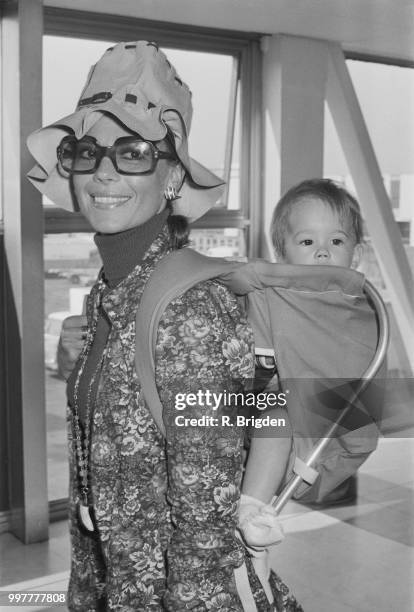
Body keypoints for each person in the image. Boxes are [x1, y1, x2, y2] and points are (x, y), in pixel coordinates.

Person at [28, 42, 302, 611]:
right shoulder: (110, 289)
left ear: (172, 175)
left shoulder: (188, 309)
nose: (104, 172)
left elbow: (206, 513)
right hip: (113, 577)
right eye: (87, 151)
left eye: (132, 152)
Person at [240, 178, 364, 526]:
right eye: (307, 241)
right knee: (275, 414)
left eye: (337, 241)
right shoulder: (265, 296)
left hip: (316, 440)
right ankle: (252, 517)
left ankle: (252, 519)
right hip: (250, 423)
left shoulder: (361, 316)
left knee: (280, 415)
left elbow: (365, 391)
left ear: (357, 253)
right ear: (281, 255)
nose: (323, 252)